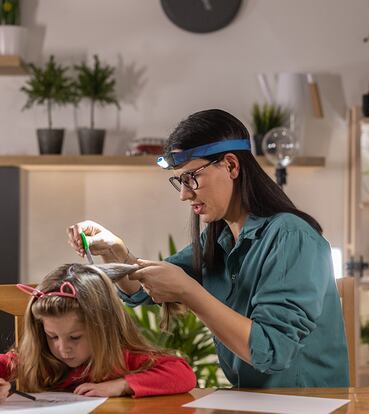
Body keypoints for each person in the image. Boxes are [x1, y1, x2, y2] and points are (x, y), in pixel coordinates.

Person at [67, 109, 349, 388]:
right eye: (179, 181)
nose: (183, 194)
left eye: (192, 178)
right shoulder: (219, 239)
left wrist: (189, 293)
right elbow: (143, 292)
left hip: (308, 404)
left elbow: (272, 351)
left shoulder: (290, 237)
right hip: (253, 402)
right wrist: (116, 252)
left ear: (230, 166)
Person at [0, 263, 196, 401]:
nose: (63, 348)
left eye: (75, 337)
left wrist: (121, 385)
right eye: (52, 336)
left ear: (103, 329)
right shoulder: (37, 359)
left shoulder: (121, 358)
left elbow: (184, 374)